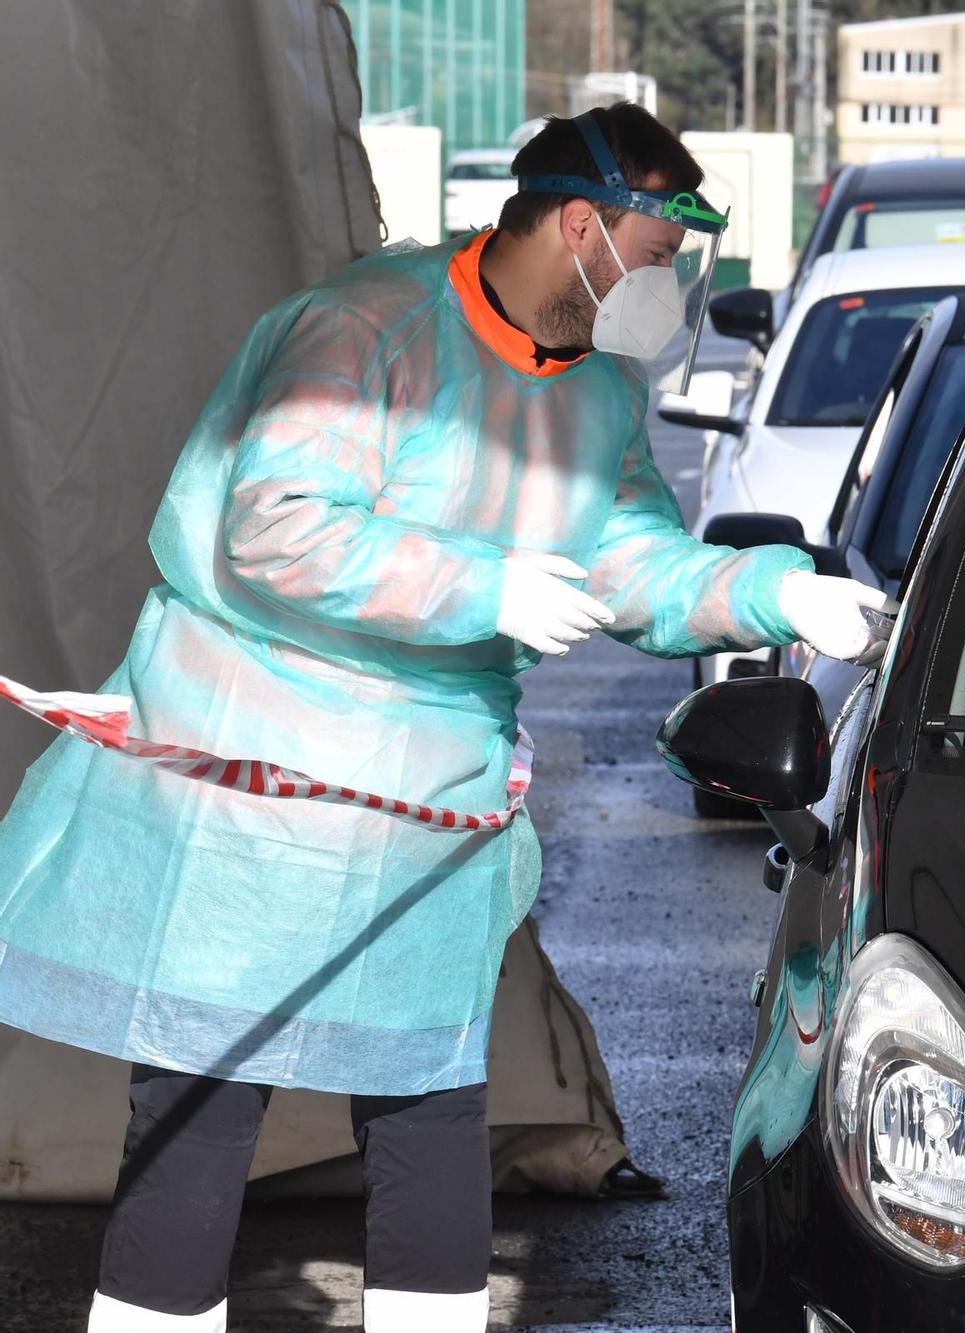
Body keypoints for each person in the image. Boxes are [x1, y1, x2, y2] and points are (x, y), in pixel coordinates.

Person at [0, 105, 886, 1333]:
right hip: (258, 776)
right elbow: (276, 522)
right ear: (581, 221)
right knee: (206, 1102)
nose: (664, 286)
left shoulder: (595, 397)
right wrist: (480, 583)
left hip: (427, 800)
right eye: (657, 248)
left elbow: (633, 563)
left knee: (427, 1106)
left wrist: (772, 590)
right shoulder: (365, 329)